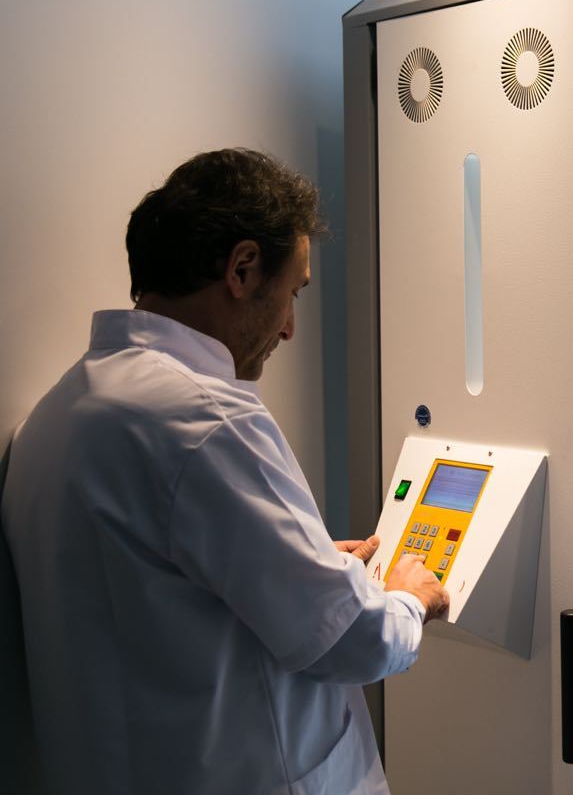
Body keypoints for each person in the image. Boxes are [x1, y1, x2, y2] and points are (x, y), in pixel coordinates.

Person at [0, 148, 448, 794]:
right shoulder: (206, 420)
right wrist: (409, 598)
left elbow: (155, 593)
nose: (289, 329)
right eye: (293, 293)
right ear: (242, 269)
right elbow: (351, 639)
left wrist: (304, 563)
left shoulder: (52, 417)